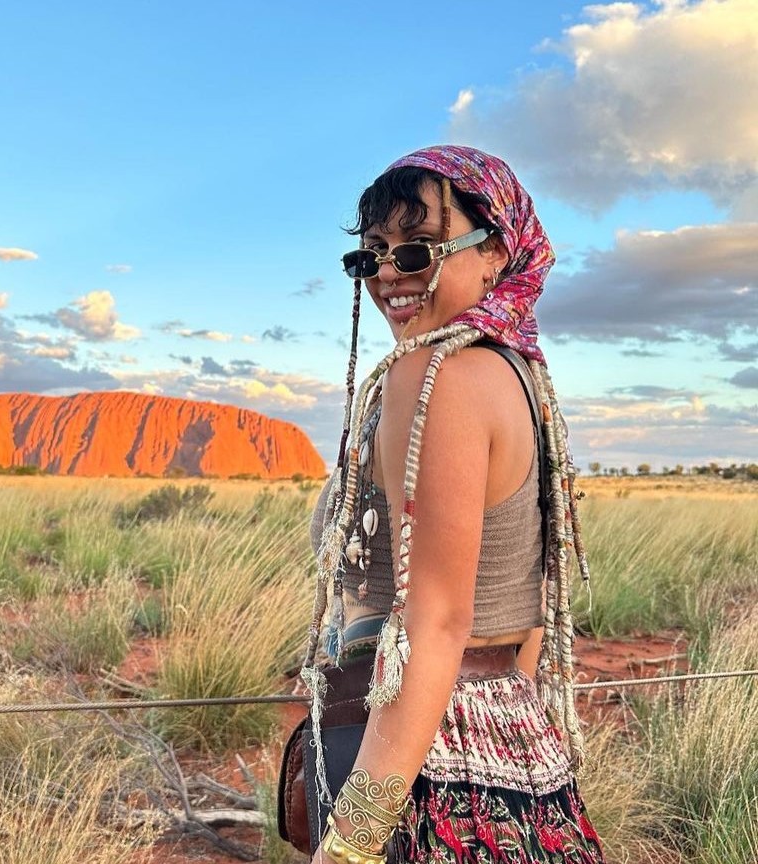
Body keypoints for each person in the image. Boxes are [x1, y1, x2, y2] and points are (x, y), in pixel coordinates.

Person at [303, 145, 605, 863]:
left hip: (417, 762)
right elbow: (525, 600)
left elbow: (437, 620)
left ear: (498, 253)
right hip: (506, 735)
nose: (387, 273)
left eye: (419, 250)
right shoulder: (517, 373)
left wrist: (354, 840)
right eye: (372, 253)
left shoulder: (434, 375)